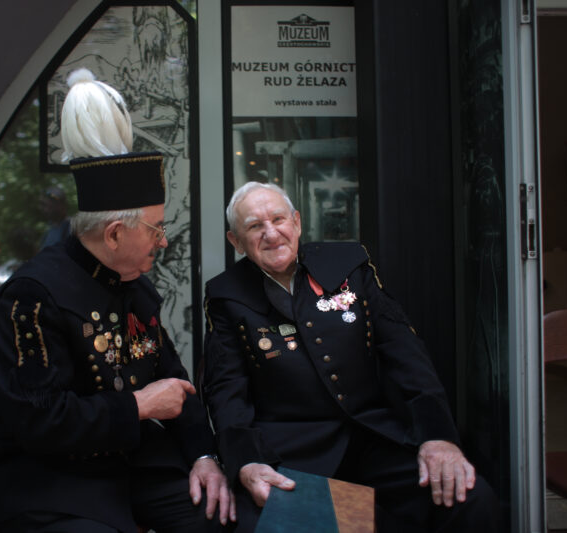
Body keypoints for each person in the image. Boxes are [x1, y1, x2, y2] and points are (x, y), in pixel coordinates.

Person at [0, 68, 234, 533]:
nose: (164, 242)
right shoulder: (32, 297)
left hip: (128, 464)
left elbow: (174, 382)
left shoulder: (135, 286)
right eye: (156, 229)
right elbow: (38, 421)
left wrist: (203, 455)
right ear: (114, 235)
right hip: (45, 481)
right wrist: (138, 406)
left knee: (223, 516)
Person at [202, 181, 499, 532]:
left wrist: (438, 436)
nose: (271, 233)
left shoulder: (348, 265)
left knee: (470, 497)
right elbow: (227, 389)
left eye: (278, 219)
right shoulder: (226, 296)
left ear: (296, 222)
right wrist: (247, 461)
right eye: (255, 226)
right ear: (235, 241)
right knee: (280, 521)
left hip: (376, 439)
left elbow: (405, 353)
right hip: (294, 455)